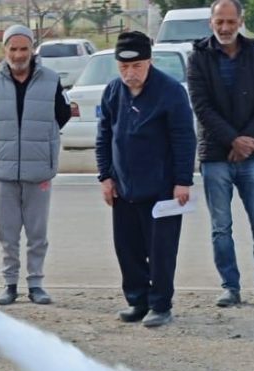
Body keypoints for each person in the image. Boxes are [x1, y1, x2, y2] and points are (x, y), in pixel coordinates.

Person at [96, 31, 197, 328]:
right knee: (127, 248)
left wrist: (182, 180)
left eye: (137, 66)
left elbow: (184, 138)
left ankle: (160, 304)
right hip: (124, 188)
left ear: (149, 61)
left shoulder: (171, 92)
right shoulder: (113, 92)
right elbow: (104, 136)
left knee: (161, 251)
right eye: (124, 67)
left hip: (162, 190)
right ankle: (137, 300)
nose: (130, 73)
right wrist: (105, 176)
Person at [187, 0, 254, 308]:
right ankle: (230, 287)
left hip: (253, 155)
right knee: (220, 228)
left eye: (230, 21)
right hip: (216, 155)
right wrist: (232, 141)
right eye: (219, 22)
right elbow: (201, 106)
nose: (225, 28)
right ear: (210, 23)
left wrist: (247, 141)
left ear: (241, 21)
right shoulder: (198, 57)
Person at [0, 24, 71, 306]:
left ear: (32, 50)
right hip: (4, 171)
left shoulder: (51, 80)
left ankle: (36, 284)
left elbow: (63, 114)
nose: (19, 55)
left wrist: (42, 141)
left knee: (37, 233)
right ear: (4, 50)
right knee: (7, 234)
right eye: (13, 49)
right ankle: (9, 284)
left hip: (38, 171)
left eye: (24, 49)